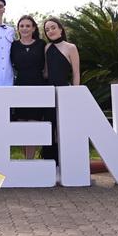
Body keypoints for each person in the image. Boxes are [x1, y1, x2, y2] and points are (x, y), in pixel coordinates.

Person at [41, 17, 80, 161]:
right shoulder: (46, 48)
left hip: (65, 92)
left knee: (64, 126)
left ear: (60, 29)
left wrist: (75, 93)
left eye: (53, 28)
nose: (50, 31)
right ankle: (50, 159)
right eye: (47, 30)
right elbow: (46, 73)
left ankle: (67, 159)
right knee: (51, 126)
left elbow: (76, 73)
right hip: (49, 93)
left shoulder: (71, 47)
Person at [10, 15, 46, 159]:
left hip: (38, 86)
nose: (24, 28)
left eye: (28, 26)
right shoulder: (13, 45)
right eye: (22, 26)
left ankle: (30, 160)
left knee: (33, 123)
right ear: (18, 29)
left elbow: (47, 67)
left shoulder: (41, 44)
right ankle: (26, 161)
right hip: (20, 86)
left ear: (34, 28)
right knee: (21, 124)